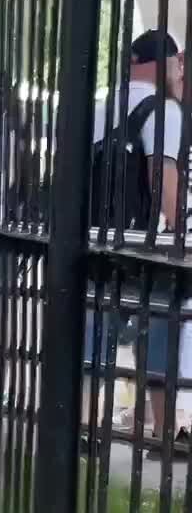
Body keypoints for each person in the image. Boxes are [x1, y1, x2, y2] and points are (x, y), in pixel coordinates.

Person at [84, 29, 185, 445]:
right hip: (145, 243)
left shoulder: (100, 107)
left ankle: (86, 423)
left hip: (96, 236)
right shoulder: (164, 110)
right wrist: (176, 227)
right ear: (164, 64)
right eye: (177, 64)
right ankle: (164, 430)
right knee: (161, 330)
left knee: (96, 333)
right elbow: (162, 173)